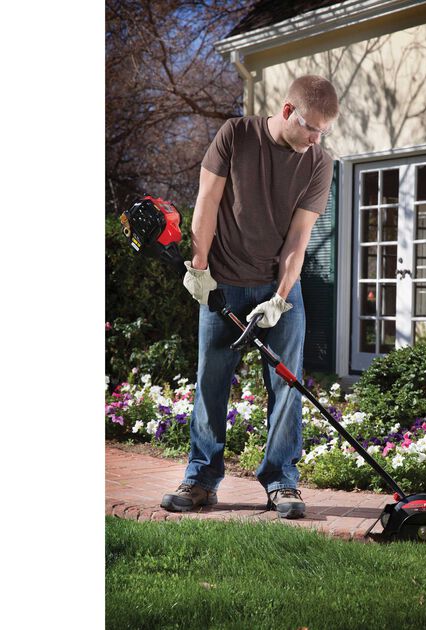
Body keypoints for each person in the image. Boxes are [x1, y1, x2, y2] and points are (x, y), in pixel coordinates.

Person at [161, 75, 339, 519]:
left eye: (324, 132)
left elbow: (299, 237)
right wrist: (199, 268)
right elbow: (207, 201)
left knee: (286, 385)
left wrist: (280, 297)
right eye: (312, 128)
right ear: (287, 111)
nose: (316, 139)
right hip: (222, 283)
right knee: (212, 381)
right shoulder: (235, 135)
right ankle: (201, 479)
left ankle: (282, 481)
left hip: (279, 286)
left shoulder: (319, 162)